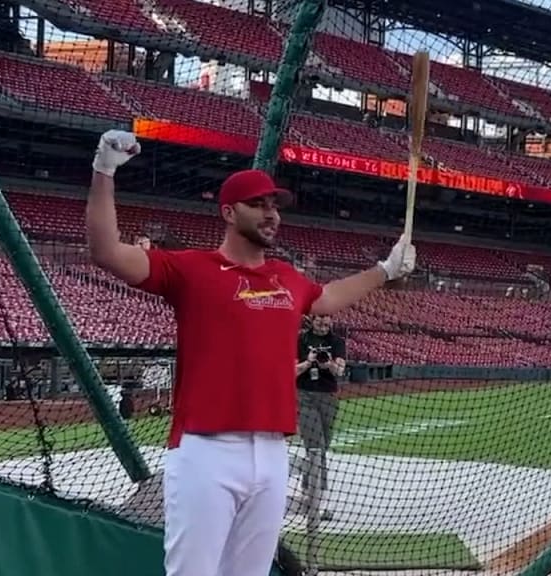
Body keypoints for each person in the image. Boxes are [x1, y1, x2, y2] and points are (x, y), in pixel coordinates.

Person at [85, 129, 416, 576]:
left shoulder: (286, 277)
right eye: (258, 204)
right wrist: (104, 170)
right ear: (228, 211)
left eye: (274, 205)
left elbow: (328, 297)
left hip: (272, 452)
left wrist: (385, 269)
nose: (271, 214)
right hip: (206, 450)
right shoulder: (191, 269)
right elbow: (105, 251)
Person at [296, 314, 346, 521]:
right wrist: (308, 363)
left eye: (327, 323)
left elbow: (340, 371)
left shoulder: (337, 342)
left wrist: (328, 365)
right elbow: (293, 370)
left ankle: (309, 486)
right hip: (305, 395)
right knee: (315, 444)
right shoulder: (300, 340)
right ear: (312, 320)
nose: (323, 326)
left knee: (323, 444)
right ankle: (316, 497)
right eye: (319, 322)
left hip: (328, 396)